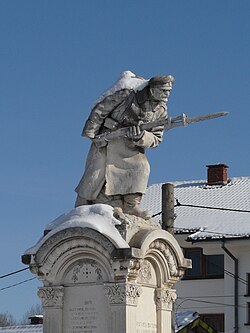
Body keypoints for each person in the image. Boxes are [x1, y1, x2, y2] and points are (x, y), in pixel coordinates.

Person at [75, 74, 174, 219]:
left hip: (132, 146)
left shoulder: (161, 110)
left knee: (142, 167)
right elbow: (101, 109)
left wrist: (141, 136)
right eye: (163, 90)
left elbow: (156, 137)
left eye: (169, 91)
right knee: (97, 176)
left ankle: (131, 206)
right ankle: (104, 205)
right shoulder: (128, 94)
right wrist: (92, 134)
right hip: (108, 140)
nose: (167, 94)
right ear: (152, 89)